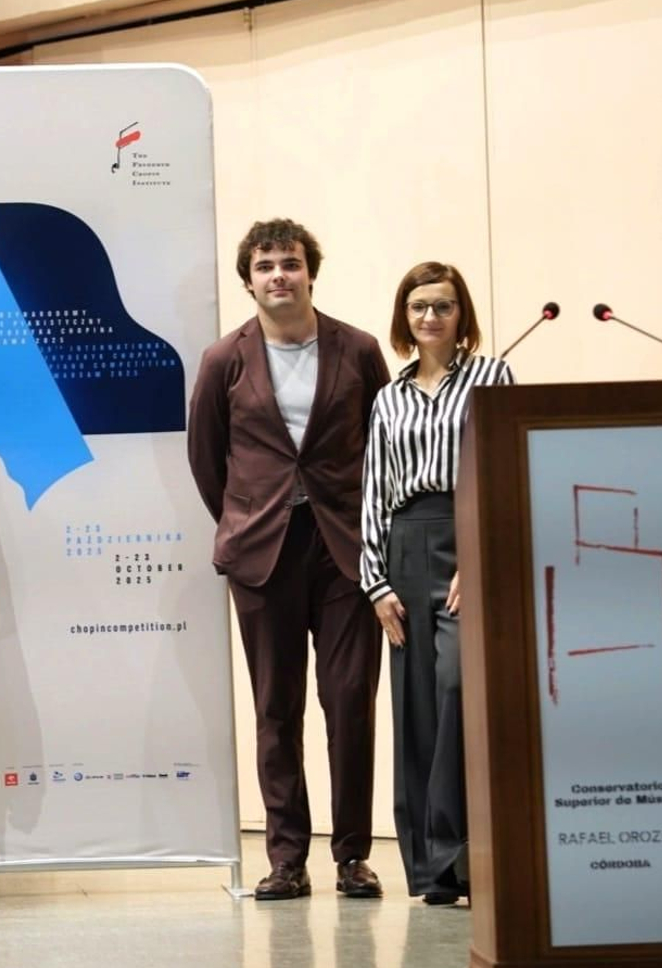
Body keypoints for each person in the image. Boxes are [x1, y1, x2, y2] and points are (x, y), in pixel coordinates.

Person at [188, 218, 390, 901]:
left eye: (292, 263)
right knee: (278, 708)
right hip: (263, 554)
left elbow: (384, 447)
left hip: (346, 550)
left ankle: (353, 855)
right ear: (249, 279)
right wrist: (247, 518)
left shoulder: (358, 350)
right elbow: (205, 457)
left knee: (350, 701)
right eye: (267, 265)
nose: (280, 275)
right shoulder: (225, 360)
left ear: (311, 272)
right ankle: (287, 859)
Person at [359, 261, 512, 906]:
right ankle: (429, 872)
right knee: (415, 707)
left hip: (467, 539)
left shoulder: (492, 378)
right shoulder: (388, 398)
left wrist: (480, 557)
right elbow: (373, 489)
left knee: (457, 688)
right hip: (405, 545)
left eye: (443, 306)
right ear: (405, 317)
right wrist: (375, 581)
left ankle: (466, 854)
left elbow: (505, 467)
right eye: (419, 306)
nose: (430, 317)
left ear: (461, 315)